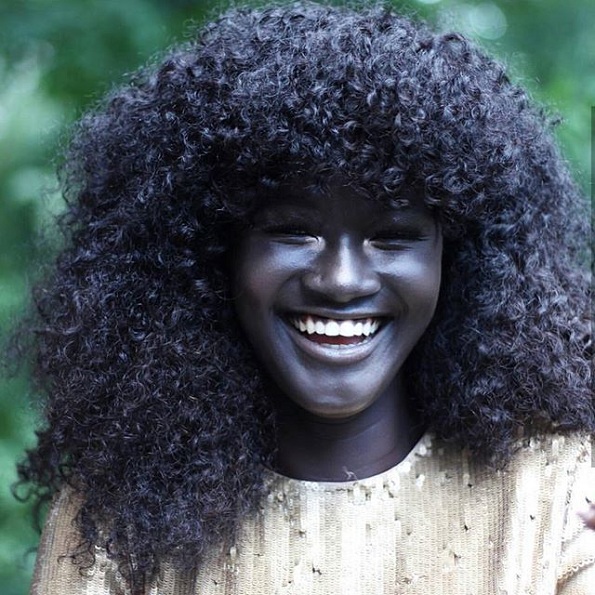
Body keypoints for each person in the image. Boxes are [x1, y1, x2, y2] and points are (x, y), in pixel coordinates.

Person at [15, 2, 594, 594]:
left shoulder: (557, 496)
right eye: (293, 231)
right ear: (211, 252)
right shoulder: (116, 523)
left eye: (393, 237)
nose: (341, 281)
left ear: (459, 260)